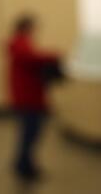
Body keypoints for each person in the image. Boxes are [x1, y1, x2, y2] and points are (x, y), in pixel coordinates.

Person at [7, 15, 61, 181]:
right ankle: (25, 165)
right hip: (28, 97)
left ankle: (23, 163)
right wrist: (54, 55)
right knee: (31, 132)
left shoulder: (20, 43)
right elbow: (31, 58)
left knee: (29, 132)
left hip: (27, 95)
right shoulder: (21, 43)